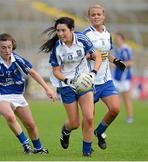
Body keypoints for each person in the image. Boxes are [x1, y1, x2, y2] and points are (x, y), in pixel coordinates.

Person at [0, 33, 57, 155]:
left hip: (17, 95)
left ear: (12, 47)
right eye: (3, 47)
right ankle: (26, 145)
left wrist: (47, 89)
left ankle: (39, 149)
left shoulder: (17, 59)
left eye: (9, 47)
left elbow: (33, 73)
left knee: (31, 125)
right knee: (10, 116)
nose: (7, 50)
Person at [40, 17, 102, 157]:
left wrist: (92, 74)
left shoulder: (82, 39)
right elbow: (56, 71)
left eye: (63, 30)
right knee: (74, 123)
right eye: (58, 31)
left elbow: (97, 56)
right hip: (66, 85)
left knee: (89, 118)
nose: (60, 34)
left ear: (72, 30)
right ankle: (66, 130)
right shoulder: (57, 47)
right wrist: (68, 81)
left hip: (85, 81)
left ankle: (86, 152)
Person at [83, 4, 126, 150]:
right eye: (93, 15)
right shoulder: (85, 35)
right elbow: (80, 57)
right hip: (90, 81)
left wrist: (115, 60)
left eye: (98, 14)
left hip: (106, 79)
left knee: (115, 109)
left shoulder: (107, 34)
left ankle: (99, 132)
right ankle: (87, 149)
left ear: (103, 16)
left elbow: (106, 53)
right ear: (89, 17)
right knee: (89, 117)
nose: (96, 17)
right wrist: (87, 57)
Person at [112, 32, 134, 123]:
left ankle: (130, 117)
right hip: (116, 78)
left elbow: (131, 62)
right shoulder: (116, 50)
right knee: (113, 99)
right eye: (116, 39)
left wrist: (122, 64)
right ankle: (111, 117)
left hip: (125, 79)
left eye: (118, 39)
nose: (117, 40)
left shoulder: (126, 49)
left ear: (122, 39)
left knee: (126, 99)